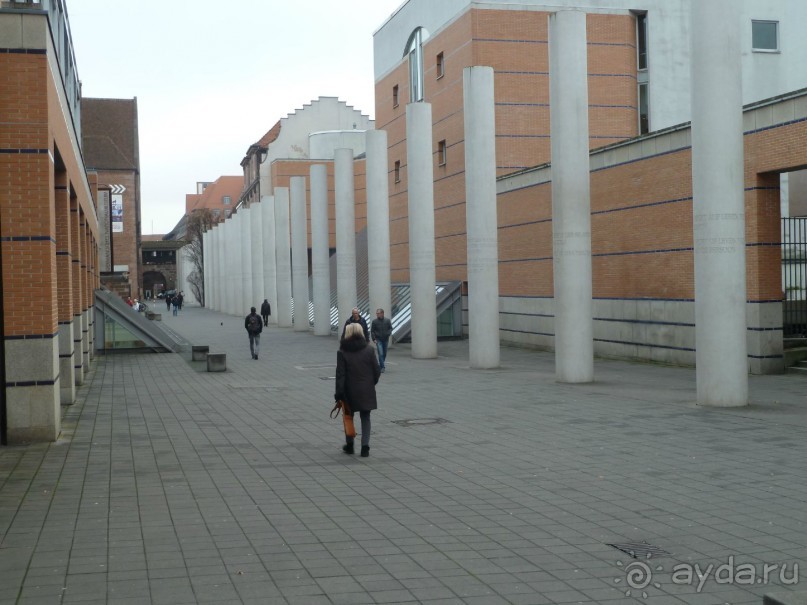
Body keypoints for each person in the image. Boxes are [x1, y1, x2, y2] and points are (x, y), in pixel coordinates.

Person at [335, 323, 380, 457]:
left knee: (348, 416)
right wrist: (371, 383)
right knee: (365, 417)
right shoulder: (369, 350)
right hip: (366, 389)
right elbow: (376, 371)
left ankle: (350, 445)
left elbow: (340, 375)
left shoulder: (342, 352)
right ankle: (365, 447)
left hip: (349, 390)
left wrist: (339, 393)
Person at [371, 308, 393, 373]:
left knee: (384, 353)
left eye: (378, 313)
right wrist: (374, 339)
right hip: (378, 340)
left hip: (385, 339)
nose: (377, 314)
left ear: (382, 313)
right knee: (380, 353)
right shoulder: (374, 321)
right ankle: (382, 367)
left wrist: (388, 333)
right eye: (376, 313)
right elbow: (372, 331)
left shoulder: (387, 320)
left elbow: (391, 328)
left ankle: (380, 364)